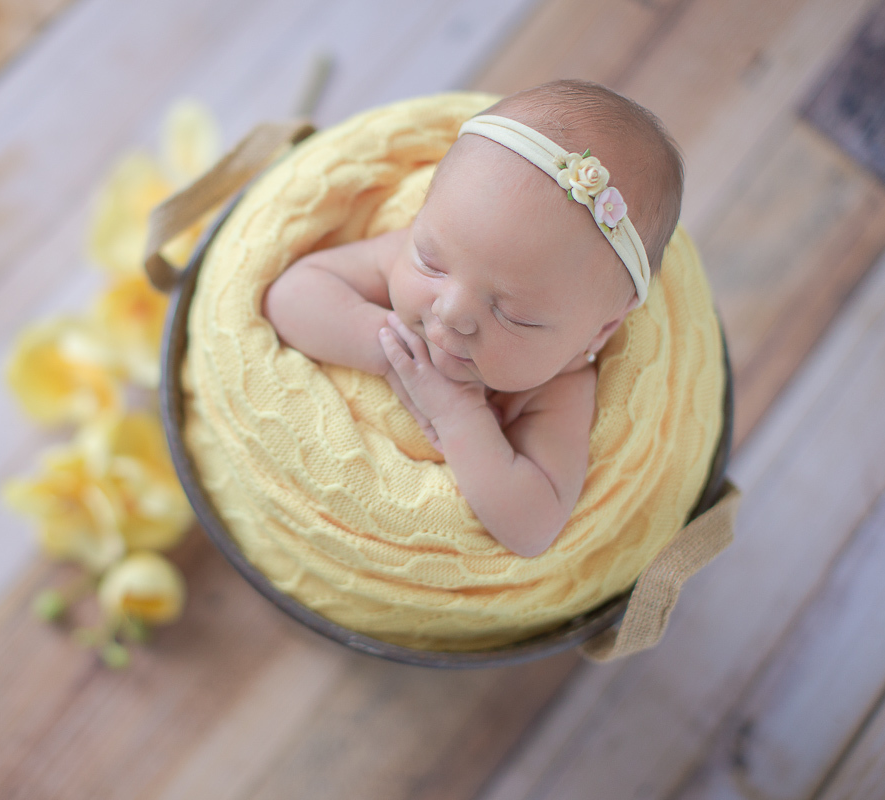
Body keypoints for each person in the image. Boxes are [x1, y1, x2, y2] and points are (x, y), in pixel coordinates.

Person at [262, 80, 683, 558]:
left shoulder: (560, 387)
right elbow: (289, 297)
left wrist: (458, 413)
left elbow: (533, 527)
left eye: (514, 315)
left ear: (599, 330)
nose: (450, 312)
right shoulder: (442, 242)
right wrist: (389, 352)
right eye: (431, 264)